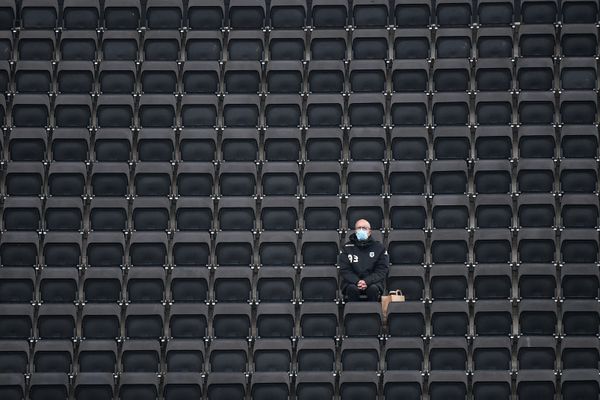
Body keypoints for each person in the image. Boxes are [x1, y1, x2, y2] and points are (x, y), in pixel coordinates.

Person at [339, 219, 389, 301]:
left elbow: (382, 269)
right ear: (355, 231)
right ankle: (352, 313)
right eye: (359, 228)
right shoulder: (346, 248)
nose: (361, 230)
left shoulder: (379, 247)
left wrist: (366, 281)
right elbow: (344, 269)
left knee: (373, 289)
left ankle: (373, 313)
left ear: (370, 231)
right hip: (351, 283)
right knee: (352, 289)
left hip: (373, 282)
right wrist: (357, 281)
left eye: (364, 228)